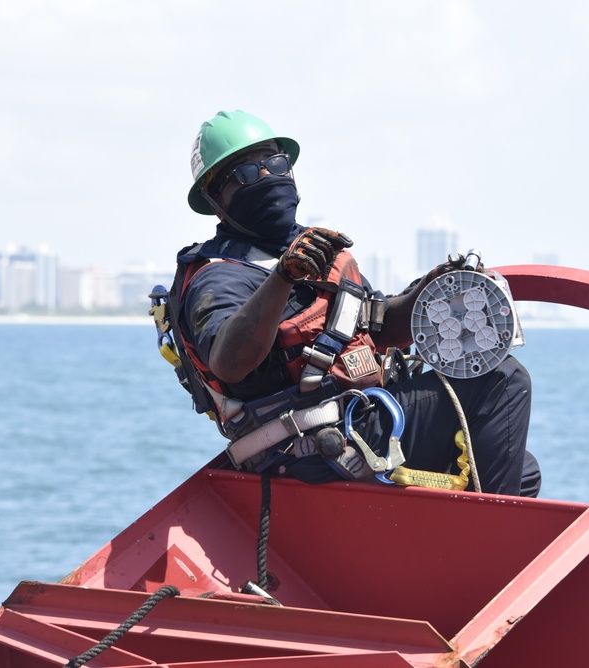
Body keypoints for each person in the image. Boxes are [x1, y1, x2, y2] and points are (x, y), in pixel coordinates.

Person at [172, 110, 540, 497]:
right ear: (216, 200)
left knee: (522, 468)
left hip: (363, 420)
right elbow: (229, 362)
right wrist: (283, 277)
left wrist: (428, 289)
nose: (267, 177)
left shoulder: (318, 253)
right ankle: (489, 543)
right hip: (314, 444)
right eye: (245, 174)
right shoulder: (219, 275)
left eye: (275, 163)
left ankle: (465, 545)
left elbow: (379, 329)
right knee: (502, 380)